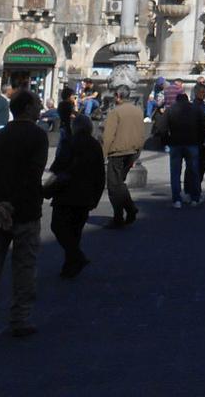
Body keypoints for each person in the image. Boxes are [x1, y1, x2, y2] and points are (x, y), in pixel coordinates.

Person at [0, 89, 49, 340]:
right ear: (26, 109)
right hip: (24, 213)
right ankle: (19, 319)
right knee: (24, 267)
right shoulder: (38, 136)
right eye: (36, 105)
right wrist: (11, 204)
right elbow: (32, 176)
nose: (39, 109)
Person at [47, 114, 104, 279]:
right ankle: (70, 265)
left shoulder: (69, 142)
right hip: (85, 196)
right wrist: (96, 197)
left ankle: (76, 258)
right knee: (75, 232)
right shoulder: (95, 145)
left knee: (58, 227)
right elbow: (100, 174)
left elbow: (58, 167)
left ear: (75, 127)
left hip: (66, 194)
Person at [100, 85, 144, 229]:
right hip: (132, 151)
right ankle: (129, 209)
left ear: (118, 96)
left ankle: (119, 215)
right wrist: (138, 151)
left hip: (118, 152)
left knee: (113, 185)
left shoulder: (115, 112)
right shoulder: (138, 111)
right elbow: (141, 133)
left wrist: (103, 154)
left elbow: (108, 136)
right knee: (119, 183)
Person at [166, 91, 205, 206]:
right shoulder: (196, 109)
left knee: (175, 172)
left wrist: (167, 141)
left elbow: (161, 127)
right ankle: (195, 198)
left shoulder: (171, 109)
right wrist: (201, 140)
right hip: (192, 143)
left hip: (175, 143)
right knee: (194, 171)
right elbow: (203, 126)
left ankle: (177, 199)